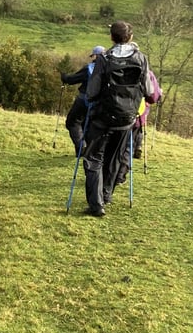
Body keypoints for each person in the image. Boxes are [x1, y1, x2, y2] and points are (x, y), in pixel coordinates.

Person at [83, 21, 154, 217]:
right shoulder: (141, 59)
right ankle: (106, 195)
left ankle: (96, 205)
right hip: (127, 119)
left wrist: (91, 100)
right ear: (130, 37)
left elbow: (92, 92)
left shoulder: (104, 59)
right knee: (115, 158)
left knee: (93, 158)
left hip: (102, 117)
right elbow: (149, 91)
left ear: (111, 37)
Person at [115, 70, 163, 185]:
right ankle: (119, 176)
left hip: (114, 114)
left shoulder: (115, 67)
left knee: (114, 145)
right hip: (135, 116)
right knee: (128, 146)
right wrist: (159, 93)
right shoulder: (147, 73)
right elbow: (153, 96)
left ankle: (108, 175)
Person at [60, 45, 106, 154]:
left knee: (72, 122)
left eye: (93, 55)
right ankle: (84, 150)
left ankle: (81, 145)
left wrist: (64, 76)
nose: (91, 58)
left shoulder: (89, 68)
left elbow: (72, 79)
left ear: (96, 56)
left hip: (83, 101)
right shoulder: (108, 69)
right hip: (99, 104)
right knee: (88, 125)